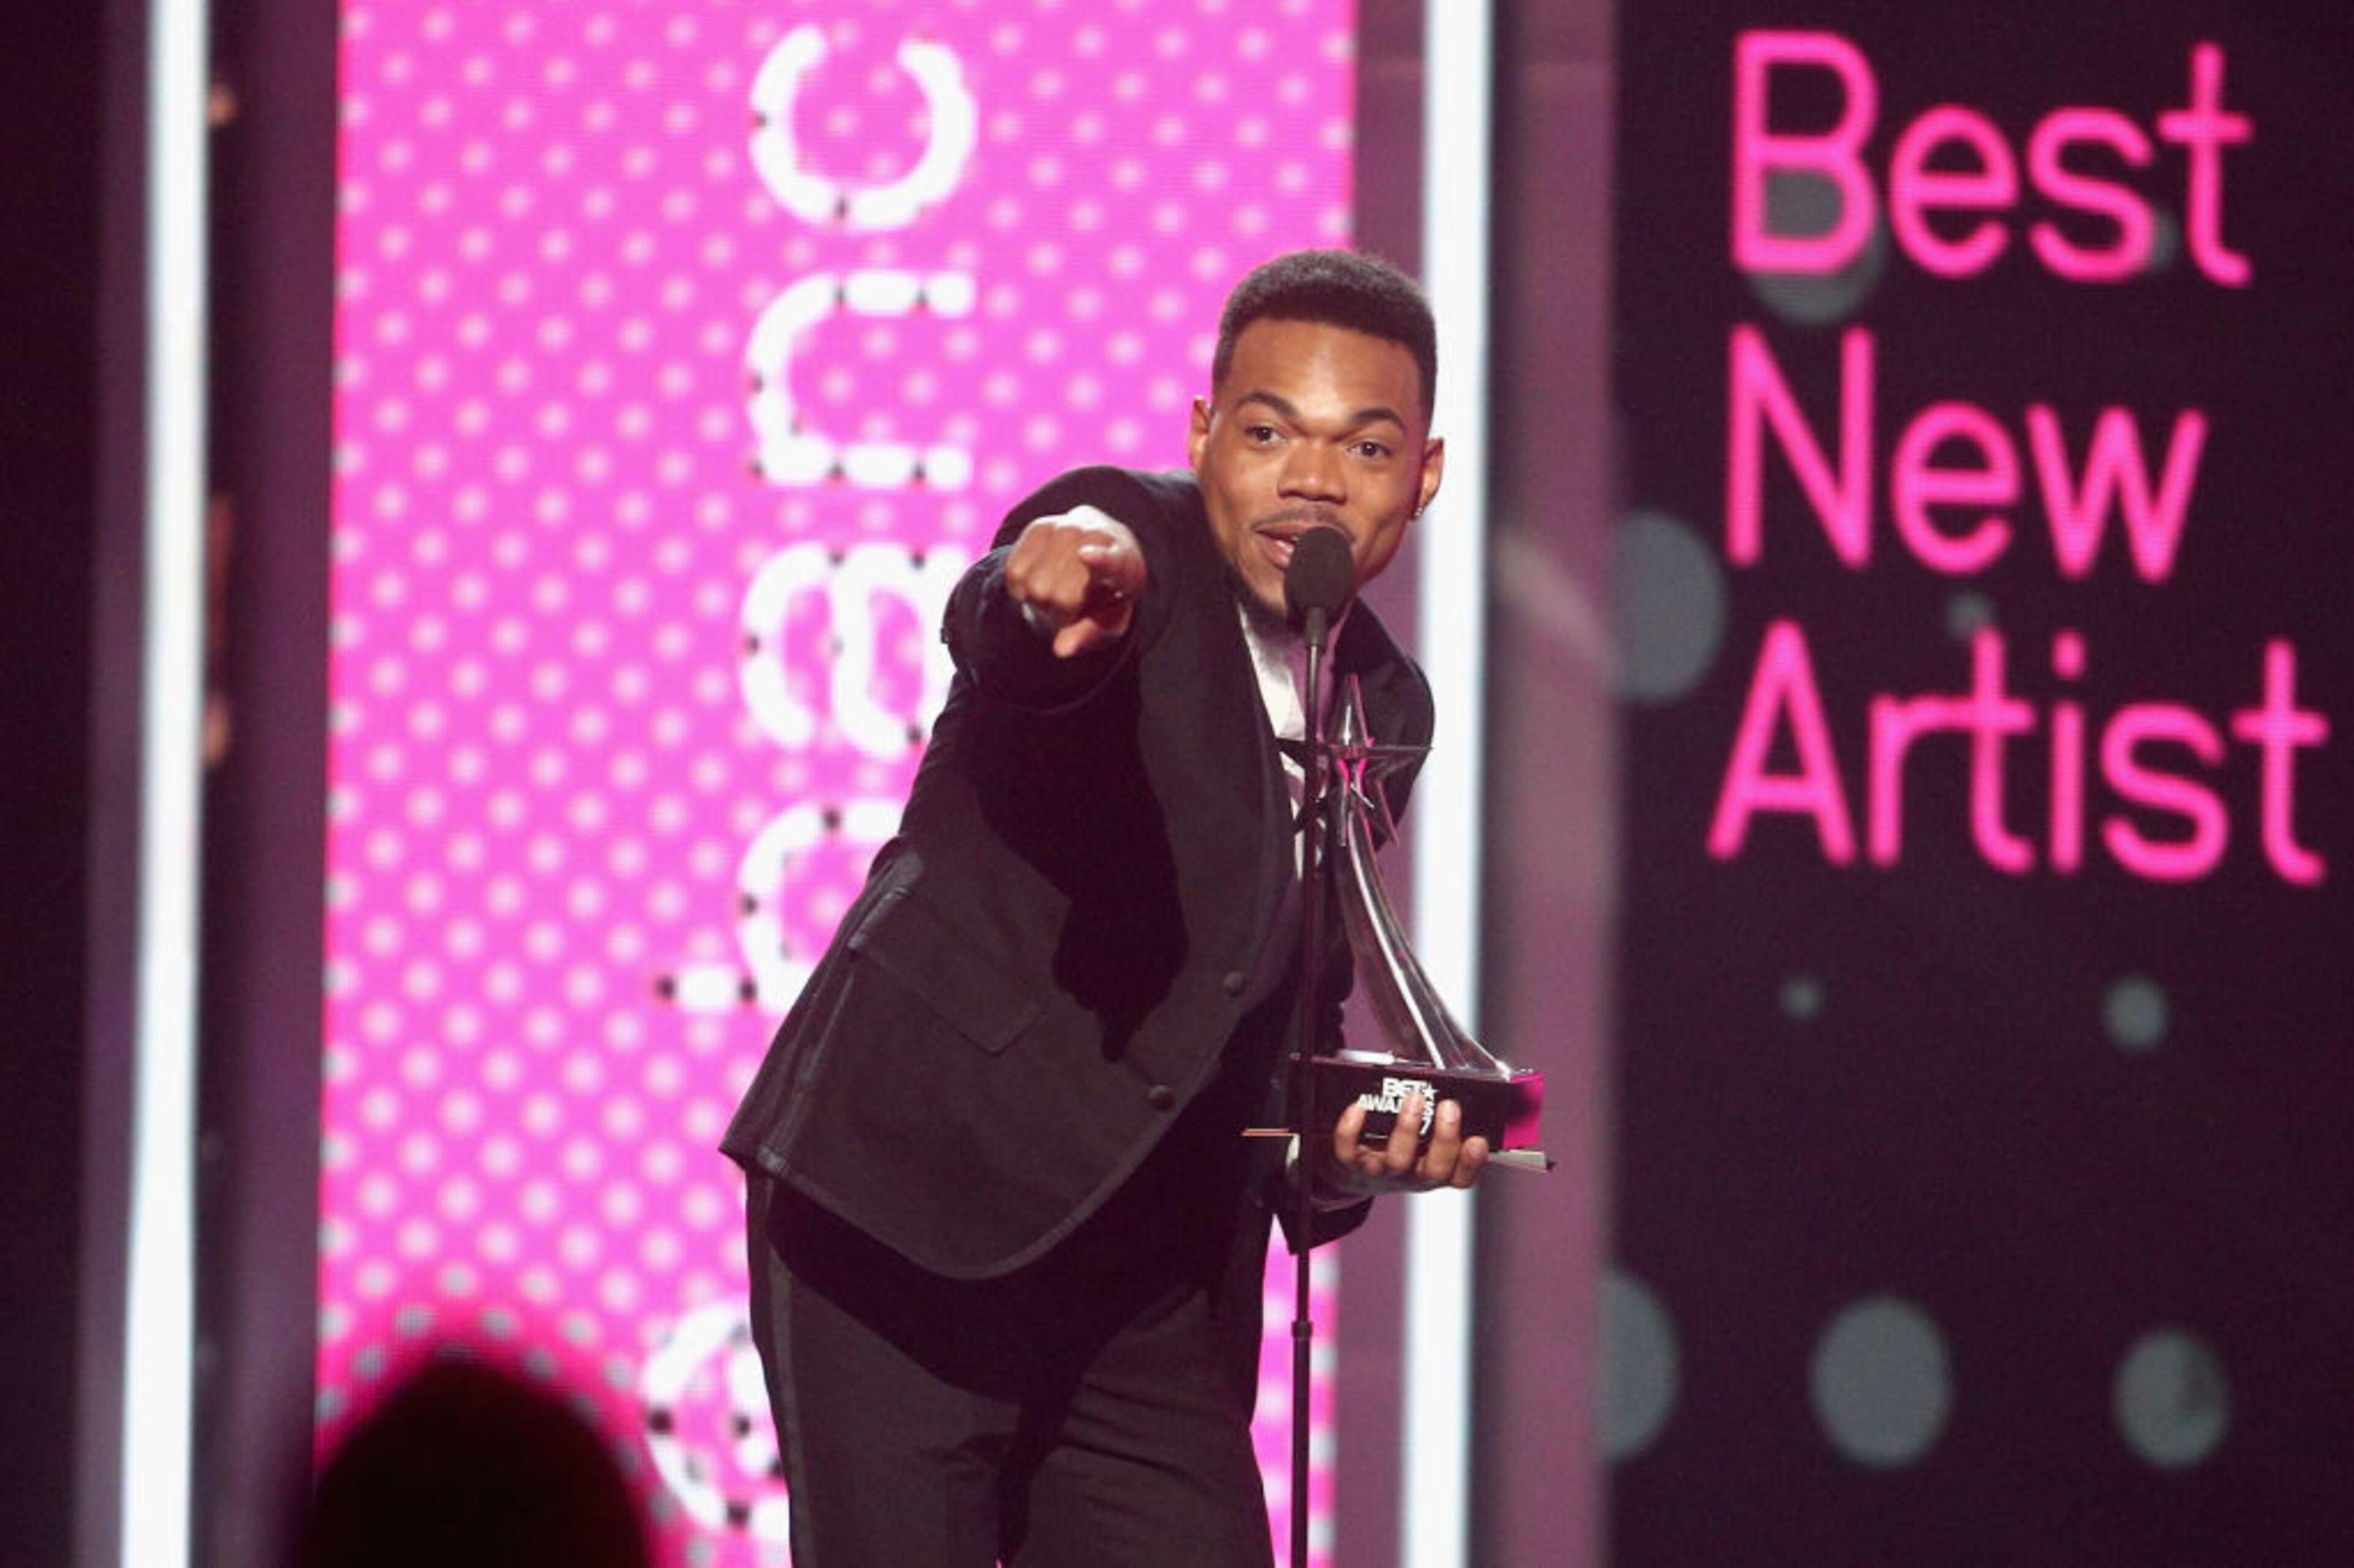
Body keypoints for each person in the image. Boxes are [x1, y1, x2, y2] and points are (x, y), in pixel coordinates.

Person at [722, 248, 1488, 1566]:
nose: (1311, 478)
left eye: (1364, 448)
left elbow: (1256, 1012)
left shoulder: (1385, 703)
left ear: (1421, 475)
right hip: (906, 1221)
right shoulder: (1129, 556)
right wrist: (1042, 588)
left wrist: (1343, 1151)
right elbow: (1024, 612)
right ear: (1203, 438)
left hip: (1146, 1308)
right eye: (1267, 432)